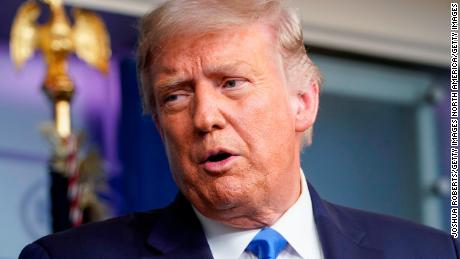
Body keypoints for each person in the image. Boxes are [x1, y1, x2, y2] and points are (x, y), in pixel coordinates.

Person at [19, 0, 459, 258]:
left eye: (232, 83)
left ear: (302, 103)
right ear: (158, 125)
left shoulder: (431, 252)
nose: (205, 117)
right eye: (176, 96)